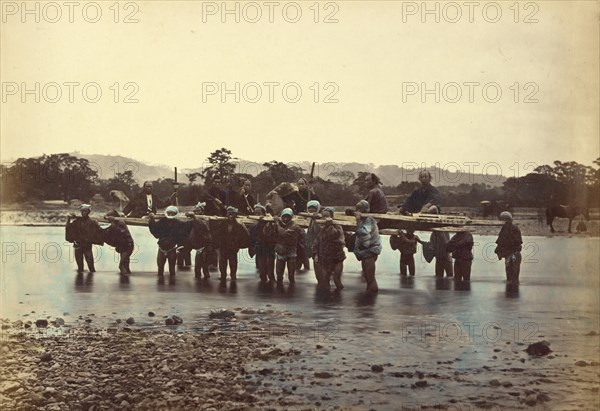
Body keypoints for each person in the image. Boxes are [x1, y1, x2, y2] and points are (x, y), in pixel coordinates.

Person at [265, 208, 304, 286]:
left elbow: (283, 233)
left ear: (291, 217)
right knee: (279, 274)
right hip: (280, 251)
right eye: (284, 216)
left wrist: (276, 222)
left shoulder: (295, 226)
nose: (286, 218)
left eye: (288, 217)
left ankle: (291, 289)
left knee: (291, 274)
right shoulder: (277, 225)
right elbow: (268, 234)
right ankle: (280, 289)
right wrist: (269, 224)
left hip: (291, 252)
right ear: (281, 216)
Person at [148, 206, 190, 276]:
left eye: (172, 213)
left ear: (176, 214)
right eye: (169, 213)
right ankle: (161, 285)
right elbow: (155, 231)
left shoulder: (179, 224)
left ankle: (172, 284)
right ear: (166, 213)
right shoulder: (162, 221)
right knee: (160, 268)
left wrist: (192, 219)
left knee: (172, 269)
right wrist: (151, 220)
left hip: (172, 249)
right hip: (162, 248)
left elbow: (184, 234)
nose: (170, 215)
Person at [313, 207, 346, 290]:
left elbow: (333, 235)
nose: (325, 218)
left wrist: (329, 225)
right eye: (323, 216)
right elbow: (316, 242)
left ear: (332, 216)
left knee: (337, 280)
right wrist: (316, 254)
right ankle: (326, 300)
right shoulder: (320, 227)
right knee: (324, 280)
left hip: (337, 256)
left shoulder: (337, 227)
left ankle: (338, 300)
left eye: (327, 216)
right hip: (324, 256)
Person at [65, 204, 104, 273]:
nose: (83, 213)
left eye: (85, 211)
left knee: (91, 266)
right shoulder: (76, 222)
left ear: (88, 212)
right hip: (78, 245)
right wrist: (68, 219)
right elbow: (68, 228)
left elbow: (100, 231)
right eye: (82, 211)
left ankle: (90, 280)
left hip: (87, 245)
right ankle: (80, 281)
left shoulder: (92, 222)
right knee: (80, 267)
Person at [353, 200, 382, 293]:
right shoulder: (363, 220)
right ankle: (368, 300)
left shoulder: (369, 220)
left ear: (366, 209)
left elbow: (363, 232)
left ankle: (370, 300)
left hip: (371, 250)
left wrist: (357, 220)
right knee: (367, 277)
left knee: (370, 278)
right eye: (356, 208)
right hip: (365, 251)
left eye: (360, 208)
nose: (358, 210)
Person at [216, 207, 249, 285]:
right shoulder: (222, 224)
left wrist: (238, 245)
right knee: (222, 262)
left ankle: (233, 275)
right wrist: (218, 244)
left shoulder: (239, 226)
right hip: (223, 246)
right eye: (229, 214)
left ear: (235, 215)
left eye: (233, 214)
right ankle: (223, 275)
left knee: (233, 262)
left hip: (233, 247)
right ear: (227, 215)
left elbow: (245, 236)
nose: (231, 216)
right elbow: (217, 235)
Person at [185, 202, 214, 279]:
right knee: (197, 268)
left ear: (202, 211)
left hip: (205, 245)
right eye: (196, 211)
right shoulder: (193, 220)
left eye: (199, 211)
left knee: (204, 266)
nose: (197, 212)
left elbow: (202, 226)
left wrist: (194, 217)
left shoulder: (205, 219)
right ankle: (199, 284)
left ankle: (205, 285)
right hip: (197, 245)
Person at [249, 204, 276, 284]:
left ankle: (271, 277)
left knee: (270, 263)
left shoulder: (270, 223)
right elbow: (252, 237)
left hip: (270, 246)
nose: (257, 215)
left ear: (263, 213)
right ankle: (263, 277)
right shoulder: (255, 226)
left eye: (259, 213)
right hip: (260, 247)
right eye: (255, 213)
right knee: (262, 264)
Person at [103, 209, 134, 275]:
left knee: (121, 265)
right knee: (126, 264)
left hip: (128, 245)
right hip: (121, 246)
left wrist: (112, 222)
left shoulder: (121, 222)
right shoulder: (114, 223)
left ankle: (125, 279)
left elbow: (119, 231)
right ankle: (126, 280)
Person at [495, 211, 523, 285]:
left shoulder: (513, 228)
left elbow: (517, 241)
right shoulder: (506, 229)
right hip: (509, 254)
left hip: (514, 254)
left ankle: (512, 291)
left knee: (514, 275)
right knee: (510, 276)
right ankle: (511, 291)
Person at [304, 200, 322, 274]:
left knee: (320, 263)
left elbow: (318, 231)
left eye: (313, 208)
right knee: (316, 262)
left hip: (321, 244)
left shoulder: (320, 217)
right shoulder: (311, 219)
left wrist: (315, 219)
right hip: (313, 245)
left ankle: (323, 281)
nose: (311, 210)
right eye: (309, 208)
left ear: (317, 208)